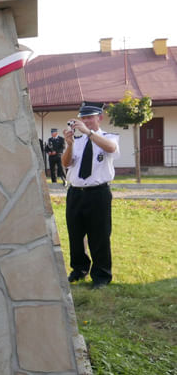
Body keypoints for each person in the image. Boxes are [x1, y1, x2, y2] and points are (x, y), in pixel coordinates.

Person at [62, 101, 120, 288]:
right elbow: (66, 163)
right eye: (83, 118)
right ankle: (79, 269)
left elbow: (111, 149)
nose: (85, 120)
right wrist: (69, 144)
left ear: (99, 118)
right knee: (75, 234)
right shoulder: (78, 142)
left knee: (99, 234)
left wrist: (89, 132)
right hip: (76, 193)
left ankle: (101, 275)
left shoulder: (108, 137)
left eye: (89, 117)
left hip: (98, 193)